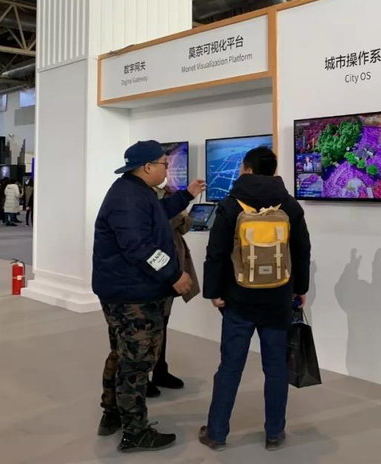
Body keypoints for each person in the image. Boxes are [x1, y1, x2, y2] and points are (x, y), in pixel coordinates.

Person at [91, 140, 205, 453]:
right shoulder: (128, 198)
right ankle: (135, 432)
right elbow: (139, 248)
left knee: (122, 354)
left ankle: (113, 413)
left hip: (128, 289)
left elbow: (157, 214)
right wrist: (174, 274)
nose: (168, 169)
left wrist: (185, 195)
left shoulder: (137, 192)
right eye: (165, 164)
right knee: (136, 363)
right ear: (147, 167)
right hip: (132, 295)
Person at [200, 146, 311, 452]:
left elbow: (216, 253)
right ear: (273, 171)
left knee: (230, 367)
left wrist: (214, 292)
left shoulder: (230, 204)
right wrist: (299, 288)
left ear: (247, 169)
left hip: (238, 298)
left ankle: (217, 433)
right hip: (278, 297)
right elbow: (302, 250)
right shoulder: (289, 204)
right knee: (275, 367)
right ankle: (274, 433)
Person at [147, 192, 201, 398]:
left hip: (171, 269)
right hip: (155, 271)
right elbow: (159, 229)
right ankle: (143, 376)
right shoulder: (144, 198)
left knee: (163, 322)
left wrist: (181, 213)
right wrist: (177, 213)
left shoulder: (169, 195)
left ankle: (159, 370)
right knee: (150, 327)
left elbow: (184, 227)